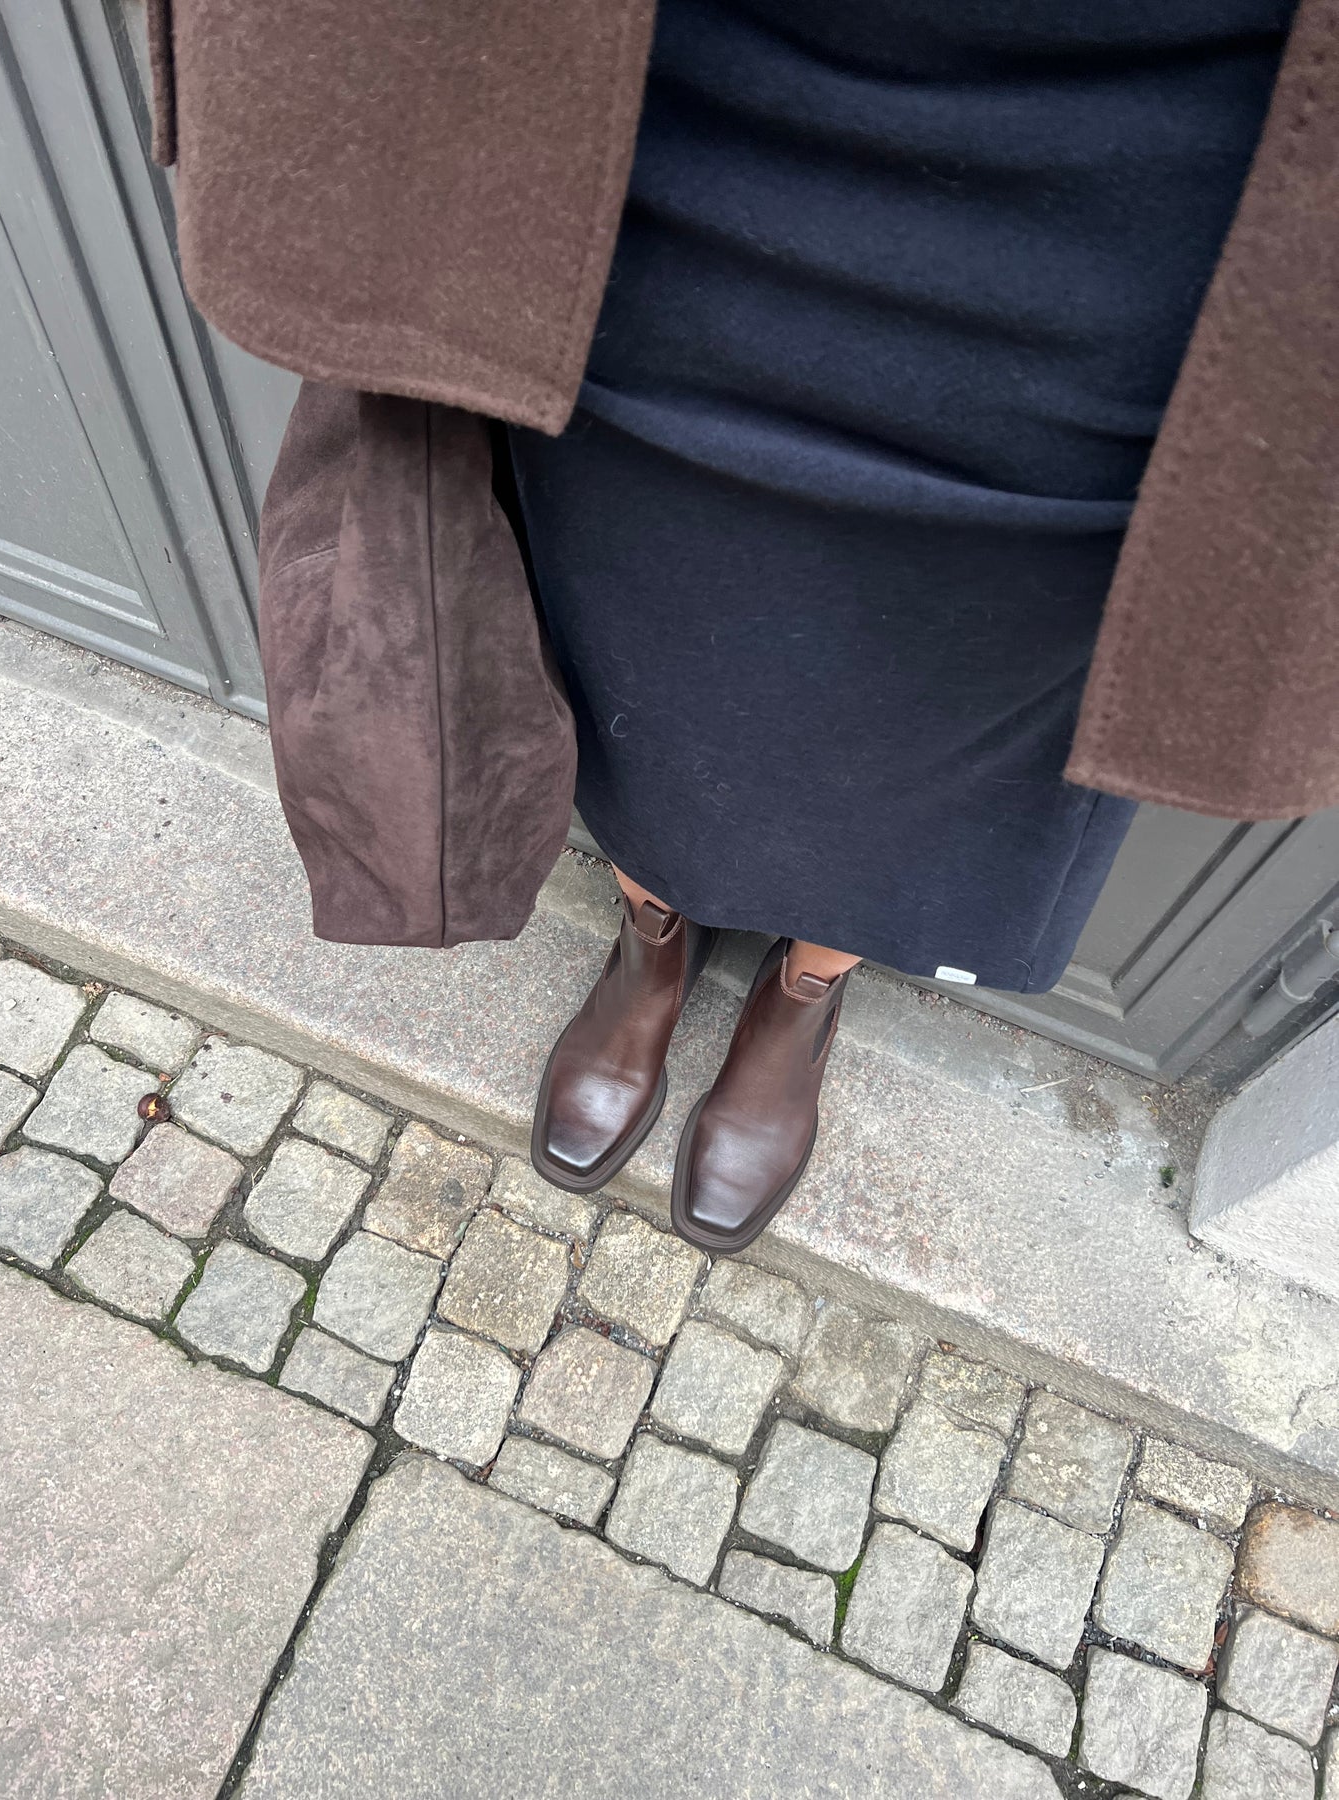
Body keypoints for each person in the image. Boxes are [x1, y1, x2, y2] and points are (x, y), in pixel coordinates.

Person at [510, 0, 1296, 1249]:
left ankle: (806, 987)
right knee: (652, 646)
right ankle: (652, 939)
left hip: (1127, 247)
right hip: (698, 157)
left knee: (940, 729)